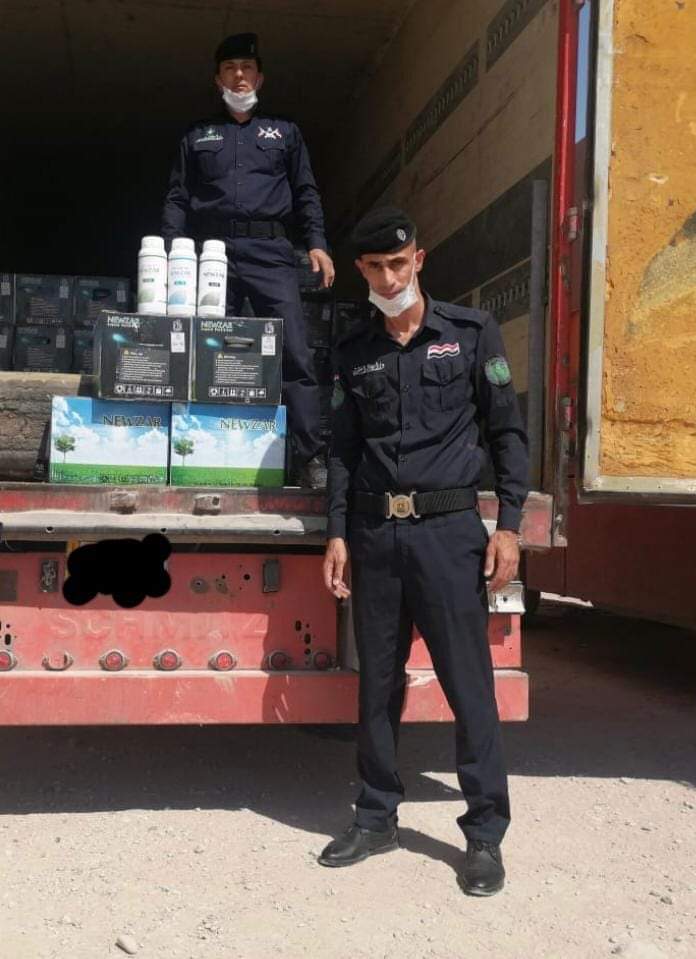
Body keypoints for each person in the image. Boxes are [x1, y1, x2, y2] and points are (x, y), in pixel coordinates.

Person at [319, 206, 528, 896]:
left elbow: (506, 432)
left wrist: (508, 525)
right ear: (361, 271)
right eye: (375, 267)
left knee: (468, 686)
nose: (388, 278)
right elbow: (343, 451)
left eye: (398, 264)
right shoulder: (353, 350)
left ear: (419, 259)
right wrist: (337, 531)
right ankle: (376, 816)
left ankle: (484, 835)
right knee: (377, 685)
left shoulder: (469, 333)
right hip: (376, 537)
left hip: (448, 534)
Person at [162, 32, 333, 488]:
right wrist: (171, 251)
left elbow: (305, 191)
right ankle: (196, 452)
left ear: (260, 77)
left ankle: (311, 459)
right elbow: (178, 197)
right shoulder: (197, 135)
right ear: (217, 79)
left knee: (295, 353)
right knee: (204, 351)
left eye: (247, 67)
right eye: (229, 68)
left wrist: (317, 243)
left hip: (271, 253)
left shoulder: (285, 132)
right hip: (212, 256)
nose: (239, 75)